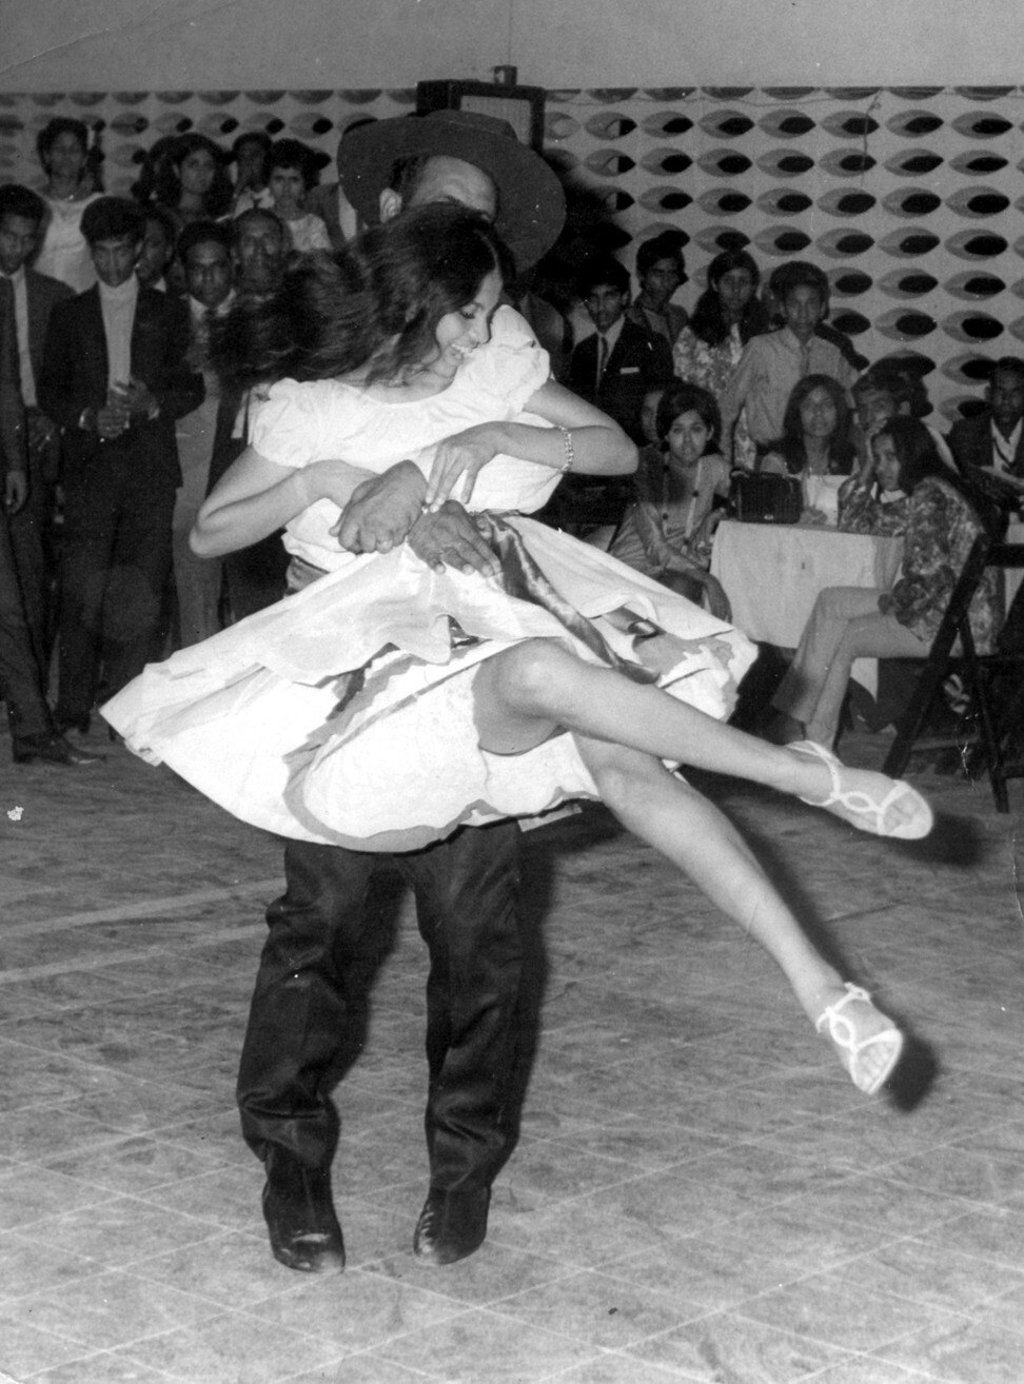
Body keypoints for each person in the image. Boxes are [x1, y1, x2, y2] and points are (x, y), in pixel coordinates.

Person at [107, 209, 930, 1269]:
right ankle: (291, 1159)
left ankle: (468, 1166)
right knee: (321, 927)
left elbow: (614, 446)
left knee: (485, 934)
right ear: (418, 305)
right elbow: (212, 530)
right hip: (354, 666)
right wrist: (327, 485)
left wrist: (481, 439)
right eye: (476, 308)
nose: (493, 326)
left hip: (489, 629)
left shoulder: (489, 368)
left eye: (495, 308)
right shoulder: (310, 402)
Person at [38, 197, 203, 736]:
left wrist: (151, 402)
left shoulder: (171, 312)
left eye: (119, 252)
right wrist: (88, 416)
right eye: (100, 253)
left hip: (150, 469)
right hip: (89, 469)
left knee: (142, 595)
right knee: (82, 589)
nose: (110, 264)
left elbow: (192, 386)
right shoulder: (69, 313)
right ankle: (72, 706)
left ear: (138, 252)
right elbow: (51, 392)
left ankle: (127, 712)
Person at [771, 416, 1003, 748]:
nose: (882, 466)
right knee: (832, 608)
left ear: (914, 454)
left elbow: (930, 577)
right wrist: (864, 471)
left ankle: (806, 733)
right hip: (952, 617)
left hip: (953, 625)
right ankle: (806, 733)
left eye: (890, 457)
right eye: (877, 457)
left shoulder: (930, 493)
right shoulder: (934, 488)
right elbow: (858, 523)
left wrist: (889, 603)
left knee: (837, 624)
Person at [0, 183, 73, 670]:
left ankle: (27, 695)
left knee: (28, 573)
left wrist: (48, 416)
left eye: (27, 239)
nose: (16, 248)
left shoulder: (55, 297)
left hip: (32, 442)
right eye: (7, 236)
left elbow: (67, 377)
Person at [608, 380, 731, 617]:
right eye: (677, 430)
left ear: (710, 432)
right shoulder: (645, 466)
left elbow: (745, 496)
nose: (687, 441)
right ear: (665, 433)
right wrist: (709, 580)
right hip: (629, 571)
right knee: (685, 588)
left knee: (686, 587)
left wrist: (716, 517)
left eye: (696, 430)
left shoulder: (715, 468)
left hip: (677, 574)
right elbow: (656, 547)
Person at [719, 260, 857, 467]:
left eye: (811, 304)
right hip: (772, 460)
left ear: (822, 309)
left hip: (820, 462)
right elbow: (727, 409)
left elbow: (854, 401)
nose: (803, 313)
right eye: (794, 304)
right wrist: (723, 467)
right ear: (782, 309)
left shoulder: (832, 353)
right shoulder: (761, 348)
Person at [169, 221, 236, 646]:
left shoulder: (257, 316)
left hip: (242, 470)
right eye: (197, 268)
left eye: (217, 267)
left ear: (233, 267)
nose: (208, 278)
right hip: (188, 473)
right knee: (195, 593)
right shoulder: (164, 318)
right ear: (183, 271)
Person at [672, 247, 769, 472]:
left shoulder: (765, 333)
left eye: (743, 281)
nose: (736, 289)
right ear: (715, 284)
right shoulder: (693, 335)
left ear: (753, 286)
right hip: (707, 437)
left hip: (753, 439)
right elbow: (682, 388)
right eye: (728, 281)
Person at [567, 257, 675, 445]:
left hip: (636, 454)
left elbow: (660, 413)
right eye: (593, 299)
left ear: (625, 297)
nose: (600, 307)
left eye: (609, 296)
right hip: (593, 455)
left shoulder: (651, 344)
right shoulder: (583, 351)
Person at [759, 374, 858, 525]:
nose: (818, 412)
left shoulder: (849, 460)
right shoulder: (777, 462)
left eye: (827, 405)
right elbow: (763, 517)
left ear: (839, 411)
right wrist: (796, 519)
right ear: (797, 413)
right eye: (808, 405)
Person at [32, 117, 103, 293]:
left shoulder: (99, 204)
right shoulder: (32, 201)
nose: (67, 155)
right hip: (36, 303)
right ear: (47, 155)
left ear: (84, 158)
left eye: (74, 150)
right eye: (59, 149)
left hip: (82, 304)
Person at [948, 356, 1024, 519]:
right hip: (981, 527)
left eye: (1015, 393)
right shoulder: (964, 433)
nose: (1006, 401)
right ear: (988, 394)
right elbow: (953, 485)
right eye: (1000, 391)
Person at [151, 133, 233, 229]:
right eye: (193, 165)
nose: (202, 173)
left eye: (208, 166)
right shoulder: (162, 216)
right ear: (176, 170)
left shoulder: (221, 216)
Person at [264, 139, 332, 253]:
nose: (286, 188)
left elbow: (322, 266)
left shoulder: (314, 225)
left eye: (294, 180)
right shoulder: (259, 220)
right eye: (279, 179)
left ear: (305, 184)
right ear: (268, 182)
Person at [625, 230, 689, 346]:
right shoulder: (628, 319)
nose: (666, 281)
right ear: (641, 275)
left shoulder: (679, 316)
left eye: (672, 273)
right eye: (658, 273)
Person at [229, 131, 274, 216]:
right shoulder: (238, 198)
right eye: (242, 157)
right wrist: (238, 189)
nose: (248, 162)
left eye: (254, 155)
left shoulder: (281, 195)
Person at [135, 206, 178, 293]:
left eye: (151, 244)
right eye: (135, 242)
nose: (141, 252)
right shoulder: (104, 300)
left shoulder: (182, 303)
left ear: (167, 252)